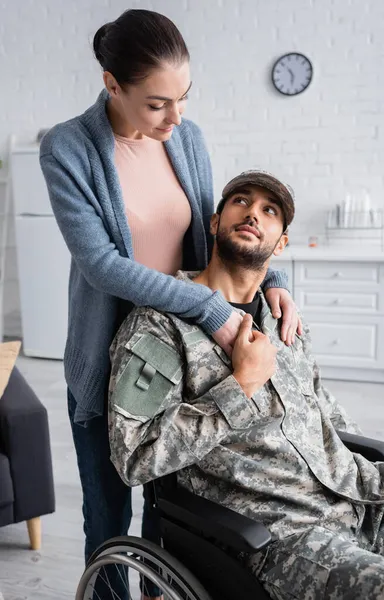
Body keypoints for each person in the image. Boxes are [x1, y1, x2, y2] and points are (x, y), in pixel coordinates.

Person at [39, 9, 300, 600]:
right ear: (112, 85)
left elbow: (213, 233)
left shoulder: (186, 137)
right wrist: (211, 310)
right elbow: (102, 265)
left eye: (183, 98)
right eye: (157, 103)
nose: (176, 117)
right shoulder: (68, 149)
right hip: (109, 368)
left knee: (172, 518)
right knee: (108, 524)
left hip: (185, 362)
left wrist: (273, 274)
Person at [109, 169, 384, 600]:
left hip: (358, 492)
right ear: (215, 222)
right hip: (281, 534)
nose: (252, 214)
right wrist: (239, 385)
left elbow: (324, 408)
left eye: (269, 210)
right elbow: (133, 458)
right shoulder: (159, 327)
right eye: (241, 201)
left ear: (281, 243)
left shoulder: (284, 318)